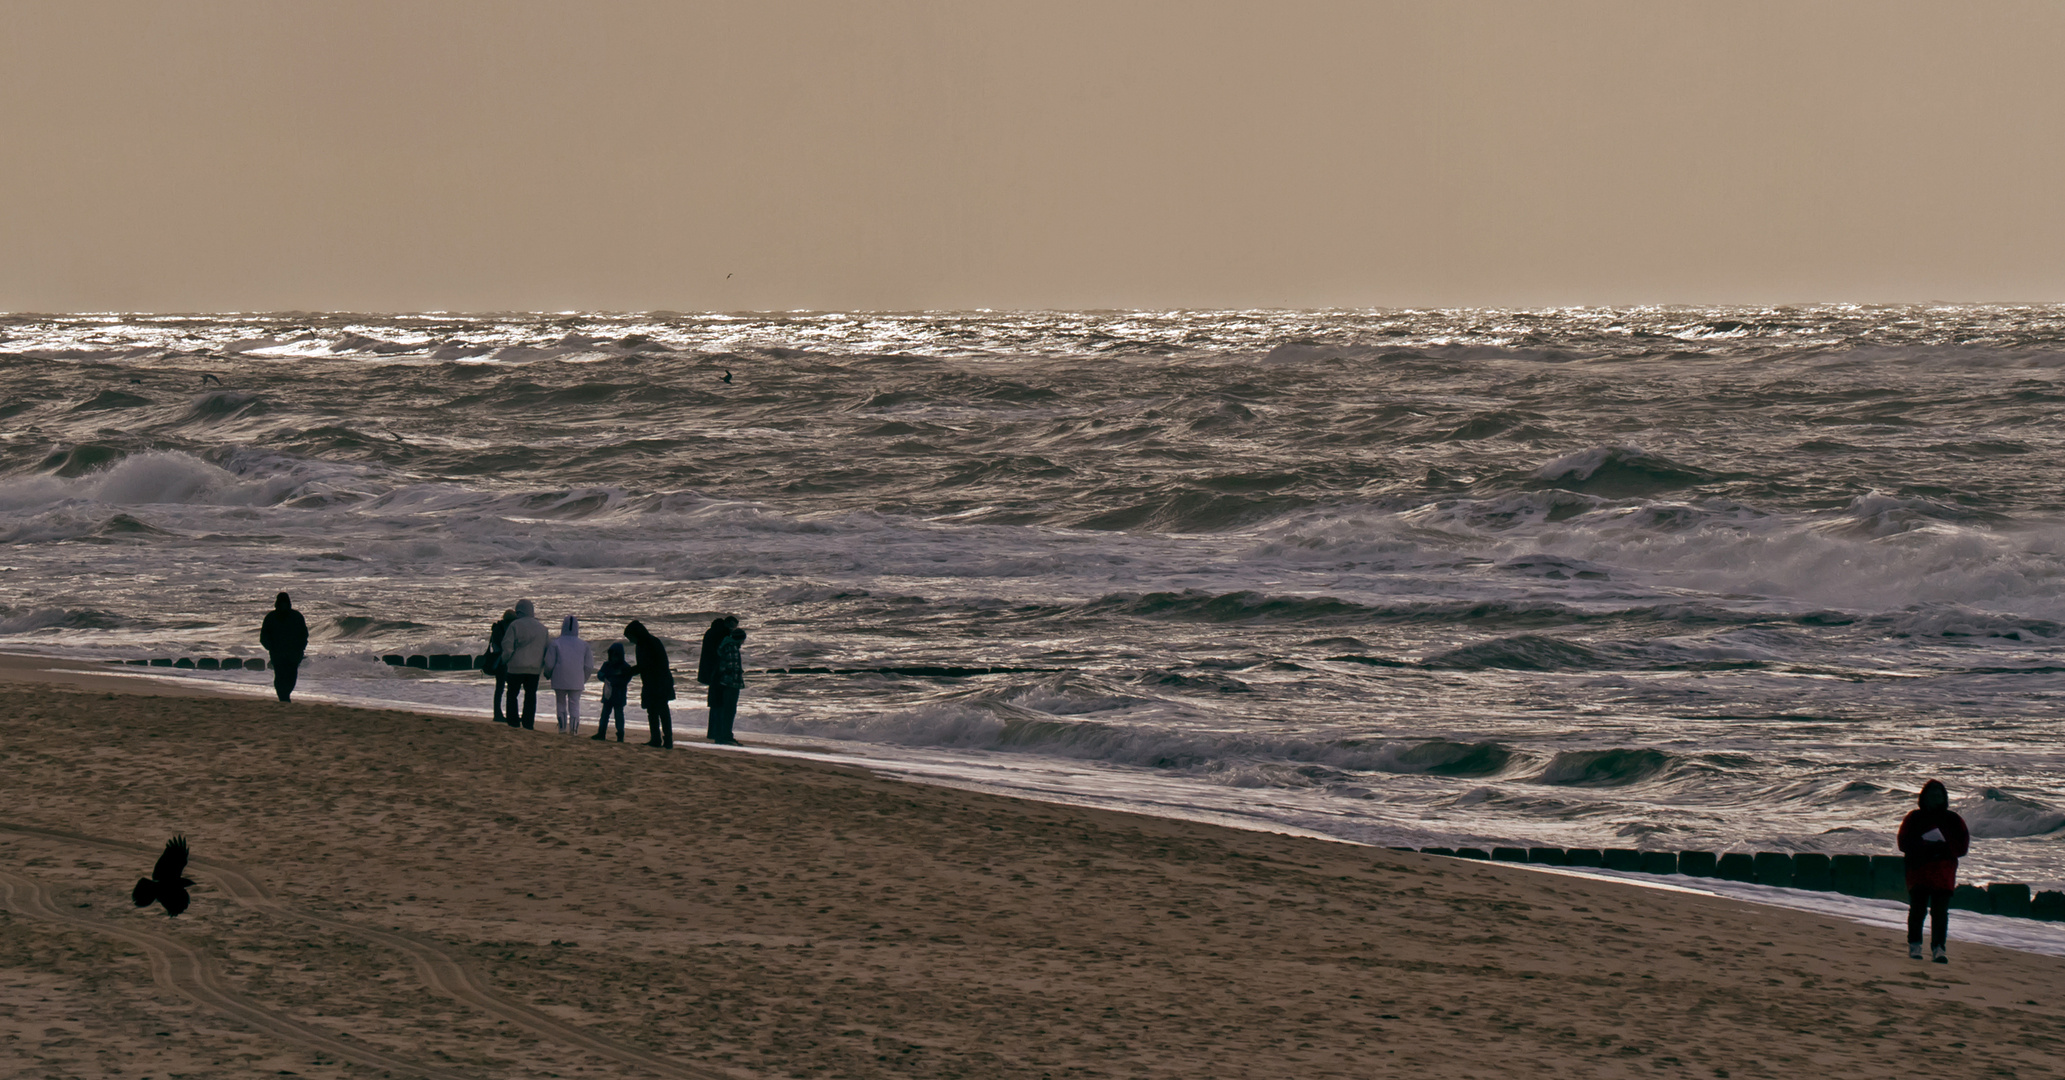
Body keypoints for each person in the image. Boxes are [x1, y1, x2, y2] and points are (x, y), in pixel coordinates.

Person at [1898, 779, 1971, 964]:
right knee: (1917, 910)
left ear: (1944, 798)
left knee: (1940, 913)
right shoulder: (1914, 818)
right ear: (1924, 797)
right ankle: (1915, 946)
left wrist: (1943, 848)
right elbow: (1903, 843)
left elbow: (1962, 847)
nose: (1935, 799)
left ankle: (1939, 949)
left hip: (1943, 873)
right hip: (1919, 870)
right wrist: (1925, 846)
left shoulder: (1953, 819)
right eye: (1932, 795)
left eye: (1939, 796)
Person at [498, 599, 549, 730]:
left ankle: (513, 722)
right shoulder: (542, 628)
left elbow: (508, 647)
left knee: (512, 695)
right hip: (534, 669)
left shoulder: (515, 625)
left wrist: (504, 660)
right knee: (530, 696)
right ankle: (528, 723)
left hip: (515, 667)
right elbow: (546, 649)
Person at [623, 620, 675, 748]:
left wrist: (629, 671)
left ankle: (666, 740)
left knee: (661, 711)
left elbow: (646, 665)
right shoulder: (645, 643)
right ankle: (657, 739)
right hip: (654, 682)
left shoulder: (649, 643)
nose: (630, 641)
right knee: (654, 711)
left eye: (630, 637)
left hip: (659, 682)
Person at [544, 615, 595, 735]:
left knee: (560, 703)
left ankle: (562, 729)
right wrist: (583, 679)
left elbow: (549, 663)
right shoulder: (584, 645)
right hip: (577, 679)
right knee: (575, 705)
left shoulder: (556, 643)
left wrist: (548, 674)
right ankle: (574, 730)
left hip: (559, 678)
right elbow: (589, 666)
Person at [258, 592, 309, 703]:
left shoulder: (297, 616)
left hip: (293, 654)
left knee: (291, 678)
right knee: (280, 677)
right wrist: (272, 648)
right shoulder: (271, 617)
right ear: (277, 603)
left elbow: (304, 634)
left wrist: (301, 648)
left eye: (285, 603)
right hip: (278, 654)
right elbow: (263, 637)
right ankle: (284, 699)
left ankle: (285, 697)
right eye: (281, 603)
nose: (283, 605)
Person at [698, 615, 737, 740]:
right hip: (719, 673)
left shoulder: (710, 632)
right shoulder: (723, 634)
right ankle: (719, 732)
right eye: (733, 626)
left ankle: (713, 732)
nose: (733, 629)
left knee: (715, 703)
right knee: (720, 703)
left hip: (709, 672)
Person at [707, 622, 746, 746]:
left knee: (725, 710)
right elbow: (732, 666)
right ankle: (726, 735)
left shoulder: (726, 645)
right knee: (729, 710)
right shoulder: (732, 647)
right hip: (731, 684)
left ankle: (723, 735)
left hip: (724, 683)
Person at [590, 642, 634, 742]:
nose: (614, 658)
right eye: (612, 655)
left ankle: (620, 735)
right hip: (608, 695)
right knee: (605, 715)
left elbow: (626, 679)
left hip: (619, 696)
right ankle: (601, 733)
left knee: (618, 716)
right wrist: (607, 676)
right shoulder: (607, 665)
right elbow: (600, 675)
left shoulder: (625, 667)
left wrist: (612, 679)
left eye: (616, 655)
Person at [485, 608, 515, 724]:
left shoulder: (498, 627)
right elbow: (504, 645)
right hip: (502, 662)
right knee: (503, 689)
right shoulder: (504, 628)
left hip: (501, 661)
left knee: (501, 689)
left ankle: (499, 713)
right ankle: (499, 714)